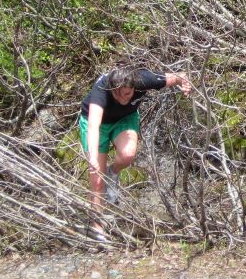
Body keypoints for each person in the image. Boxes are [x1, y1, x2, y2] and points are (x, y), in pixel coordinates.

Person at [79, 62, 192, 236]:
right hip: (97, 124)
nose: (124, 98)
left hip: (125, 118)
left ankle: (113, 172)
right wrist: (93, 158)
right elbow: (94, 125)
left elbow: (178, 76)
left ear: (134, 86)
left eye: (128, 94)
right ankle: (97, 227)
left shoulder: (144, 79)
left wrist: (184, 81)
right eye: (118, 94)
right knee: (96, 177)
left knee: (127, 154)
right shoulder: (100, 91)